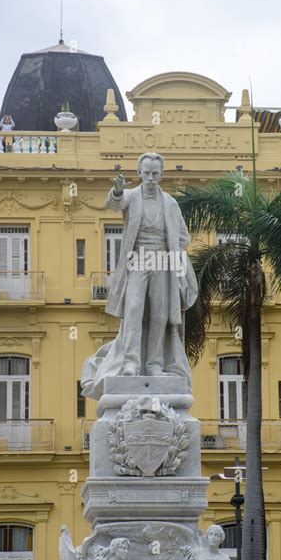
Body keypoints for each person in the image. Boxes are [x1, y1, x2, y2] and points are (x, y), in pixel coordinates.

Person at [81, 152, 198, 398]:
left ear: (161, 174)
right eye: (146, 173)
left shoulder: (170, 204)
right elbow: (114, 203)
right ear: (140, 173)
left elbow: (183, 237)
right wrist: (117, 190)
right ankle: (131, 362)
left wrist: (174, 253)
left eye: (155, 173)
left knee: (160, 313)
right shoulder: (132, 197)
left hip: (163, 262)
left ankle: (155, 364)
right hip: (137, 261)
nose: (151, 178)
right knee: (134, 309)